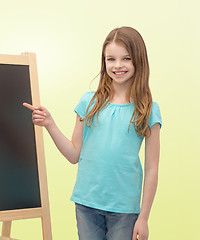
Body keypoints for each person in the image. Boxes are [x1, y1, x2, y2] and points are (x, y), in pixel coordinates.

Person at [23, 26, 162, 240]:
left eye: (126, 58)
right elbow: (73, 154)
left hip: (125, 210)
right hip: (86, 204)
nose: (117, 65)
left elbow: (152, 167)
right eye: (111, 59)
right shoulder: (89, 102)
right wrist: (50, 124)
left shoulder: (149, 110)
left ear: (139, 60)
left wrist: (143, 217)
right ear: (103, 61)